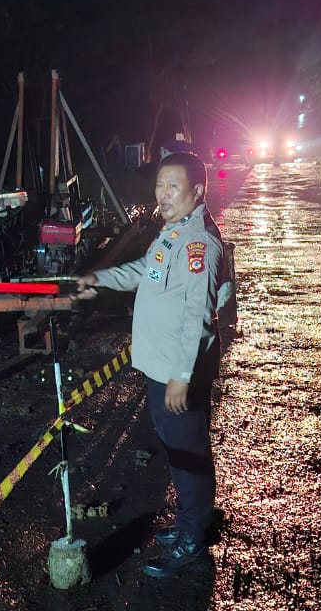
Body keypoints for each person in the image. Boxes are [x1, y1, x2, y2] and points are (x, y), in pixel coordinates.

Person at [74, 151, 224, 579]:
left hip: (179, 374)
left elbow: (199, 315)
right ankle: (188, 523)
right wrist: (98, 280)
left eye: (173, 186)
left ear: (197, 191)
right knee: (177, 450)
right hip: (160, 370)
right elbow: (144, 271)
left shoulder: (198, 244)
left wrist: (181, 376)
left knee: (188, 453)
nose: (163, 194)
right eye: (160, 185)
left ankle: (193, 537)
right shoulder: (172, 233)